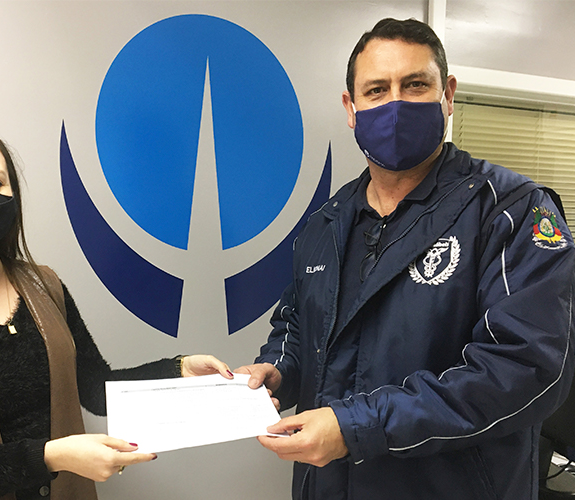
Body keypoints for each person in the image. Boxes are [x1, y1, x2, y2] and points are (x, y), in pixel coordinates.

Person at [236, 17, 575, 500]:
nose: (395, 104)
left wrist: (358, 426)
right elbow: (296, 326)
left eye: (415, 85)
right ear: (351, 108)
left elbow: (526, 369)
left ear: (447, 94)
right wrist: (277, 370)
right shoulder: (326, 223)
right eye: (376, 90)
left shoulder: (510, 211)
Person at [0, 114, 232, 500]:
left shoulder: (44, 286)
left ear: (12, 194)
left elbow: (93, 386)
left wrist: (178, 370)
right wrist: (49, 457)